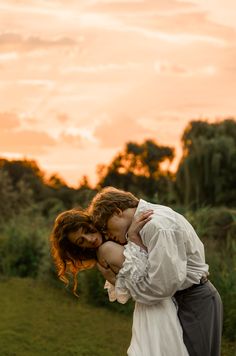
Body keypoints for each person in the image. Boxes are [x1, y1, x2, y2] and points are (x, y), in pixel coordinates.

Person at [89, 186, 223, 356]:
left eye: (106, 228)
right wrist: (133, 238)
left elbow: (160, 288)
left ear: (117, 212)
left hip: (194, 301)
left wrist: (123, 284)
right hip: (181, 300)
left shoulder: (156, 225)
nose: (108, 235)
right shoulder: (141, 226)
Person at [50, 208, 189, 356]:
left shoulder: (104, 250)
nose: (90, 239)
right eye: (81, 241)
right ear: (78, 248)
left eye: (87, 230)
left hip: (152, 306)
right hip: (158, 306)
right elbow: (149, 273)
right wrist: (133, 236)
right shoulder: (106, 249)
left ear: (91, 223)